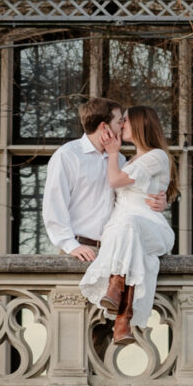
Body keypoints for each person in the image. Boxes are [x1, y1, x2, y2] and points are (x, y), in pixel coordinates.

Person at [80, 103, 174, 344]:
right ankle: (123, 320)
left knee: (129, 224)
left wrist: (112, 153)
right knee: (126, 230)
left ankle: (116, 285)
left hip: (151, 227)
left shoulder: (157, 156)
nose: (121, 125)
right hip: (123, 229)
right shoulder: (129, 159)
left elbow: (115, 180)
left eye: (126, 121)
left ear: (141, 125)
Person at [41, 97, 126, 267]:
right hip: (79, 252)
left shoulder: (120, 159)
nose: (123, 126)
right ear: (104, 126)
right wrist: (70, 245)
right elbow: (54, 205)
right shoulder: (68, 155)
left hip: (114, 252)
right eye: (119, 121)